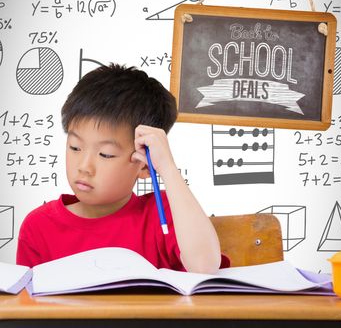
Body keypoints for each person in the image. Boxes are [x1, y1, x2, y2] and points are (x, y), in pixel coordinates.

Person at [16, 64, 229, 273]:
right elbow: (27, 305)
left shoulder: (161, 212)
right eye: (75, 147)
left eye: (105, 154)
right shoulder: (39, 227)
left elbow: (204, 266)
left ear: (144, 165)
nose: (84, 167)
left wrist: (168, 169)